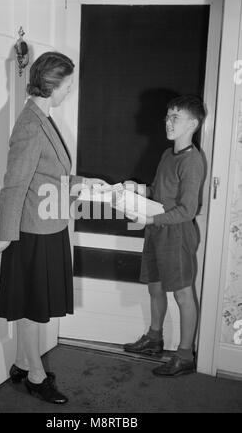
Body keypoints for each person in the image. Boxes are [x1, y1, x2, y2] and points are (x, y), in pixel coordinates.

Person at [0, 51, 106, 403]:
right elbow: (15, 184)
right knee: (33, 310)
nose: (70, 91)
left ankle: (20, 364)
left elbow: (50, 174)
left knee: (36, 306)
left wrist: (84, 181)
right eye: (68, 85)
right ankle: (35, 375)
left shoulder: (42, 117)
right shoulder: (30, 125)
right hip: (32, 234)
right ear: (53, 85)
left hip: (49, 229)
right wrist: (4, 237)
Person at [123, 95, 206, 377]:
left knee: (183, 294)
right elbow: (158, 193)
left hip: (177, 234)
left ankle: (185, 356)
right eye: (167, 117)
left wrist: (150, 218)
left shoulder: (192, 161)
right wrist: (133, 191)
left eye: (175, 118)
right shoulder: (167, 154)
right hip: (156, 230)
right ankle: (154, 339)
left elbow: (187, 210)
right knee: (155, 287)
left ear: (192, 124)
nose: (168, 122)